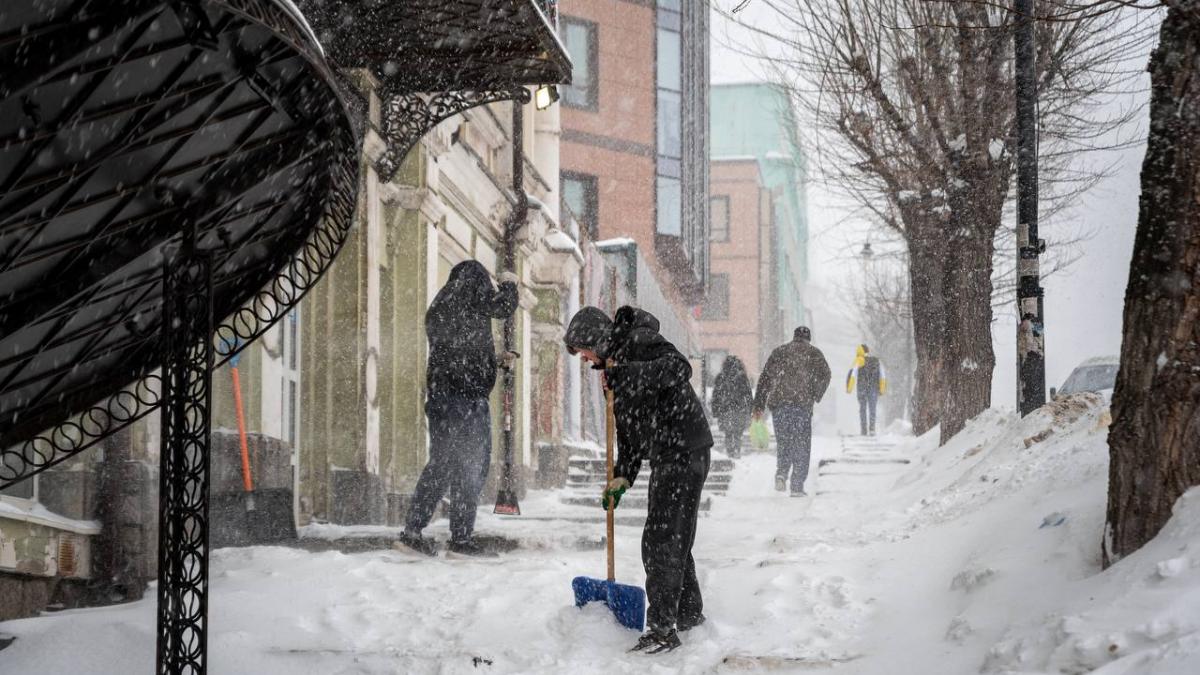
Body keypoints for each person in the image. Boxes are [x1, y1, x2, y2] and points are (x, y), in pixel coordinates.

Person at [564, 306, 713, 654]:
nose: (585, 359)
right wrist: (622, 476)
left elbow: (680, 368)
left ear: (594, 340)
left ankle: (663, 628)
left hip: (685, 447)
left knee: (662, 538)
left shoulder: (638, 341)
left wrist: (626, 375)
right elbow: (629, 436)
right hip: (668, 453)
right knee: (672, 536)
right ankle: (688, 615)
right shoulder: (612, 374)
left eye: (583, 351)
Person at [399, 261, 518, 558]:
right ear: (475, 281)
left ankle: (412, 532)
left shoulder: (441, 304)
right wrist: (509, 284)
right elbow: (503, 307)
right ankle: (461, 540)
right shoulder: (470, 292)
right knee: (470, 466)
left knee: (441, 465)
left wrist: (494, 361)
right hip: (465, 402)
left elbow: (460, 353)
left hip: (441, 400)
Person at [752, 326, 831, 497]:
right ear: (808, 338)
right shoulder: (814, 353)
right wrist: (815, 393)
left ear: (794, 337)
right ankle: (796, 486)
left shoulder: (779, 352)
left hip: (780, 405)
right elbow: (826, 374)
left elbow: (765, 379)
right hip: (802, 405)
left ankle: (781, 473)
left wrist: (758, 406)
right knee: (801, 445)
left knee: (784, 442)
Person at [710, 356, 754, 458]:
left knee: (728, 433)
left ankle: (730, 451)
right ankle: (737, 451)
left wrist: (715, 410)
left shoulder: (721, 377)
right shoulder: (742, 377)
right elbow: (748, 394)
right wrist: (750, 409)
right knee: (738, 433)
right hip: (740, 409)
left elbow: (716, 394)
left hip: (725, 409)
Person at [846, 344, 886, 436]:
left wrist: (849, 388)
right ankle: (872, 429)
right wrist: (882, 389)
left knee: (862, 409)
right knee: (873, 408)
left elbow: (853, 374)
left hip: (862, 387)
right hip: (874, 388)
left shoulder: (859, 360)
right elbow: (882, 376)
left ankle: (863, 429)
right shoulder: (876, 361)